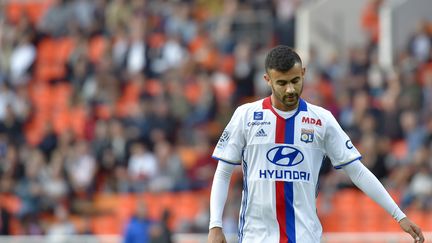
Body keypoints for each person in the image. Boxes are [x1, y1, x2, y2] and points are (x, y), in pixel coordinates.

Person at [207, 45, 425, 243]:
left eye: (295, 81)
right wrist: (215, 225)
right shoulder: (246, 116)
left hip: (305, 237)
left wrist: (399, 215)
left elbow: (357, 172)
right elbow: (224, 172)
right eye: (282, 83)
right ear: (267, 80)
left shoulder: (322, 120)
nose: (290, 90)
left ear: (303, 74)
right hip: (257, 237)